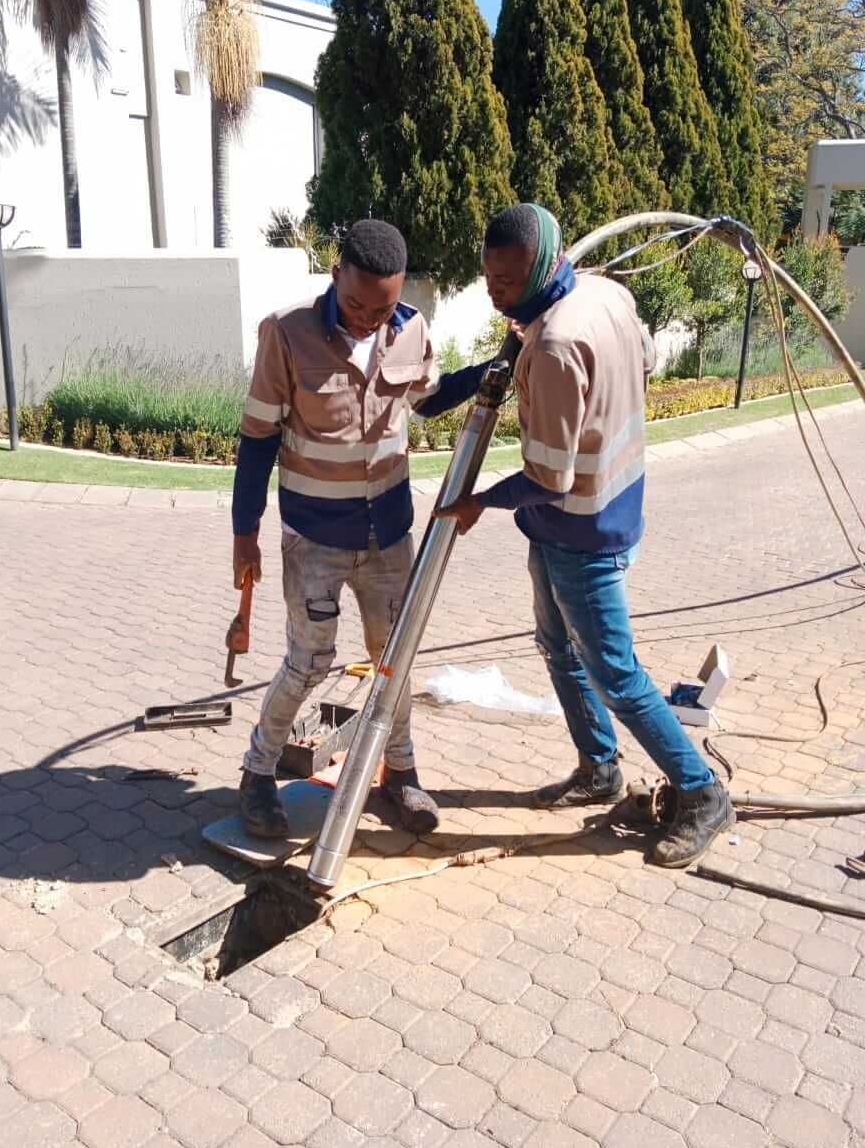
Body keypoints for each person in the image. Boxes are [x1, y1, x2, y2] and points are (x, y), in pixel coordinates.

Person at [436, 203, 734, 868]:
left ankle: (703, 792)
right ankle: (599, 768)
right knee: (556, 646)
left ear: (541, 266)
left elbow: (548, 476)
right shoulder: (605, 292)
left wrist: (478, 501)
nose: (495, 291)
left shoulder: (554, 346)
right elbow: (648, 357)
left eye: (507, 281)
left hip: (583, 528)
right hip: (603, 508)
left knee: (616, 673)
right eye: (488, 278)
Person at [233, 219, 493, 839]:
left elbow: (427, 399)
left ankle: (399, 777)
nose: (368, 319)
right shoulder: (286, 334)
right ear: (335, 275)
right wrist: (245, 532)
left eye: (382, 307)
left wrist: (489, 370)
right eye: (356, 304)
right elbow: (257, 439)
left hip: (389, 539)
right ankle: (258, 773)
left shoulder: (410, 328)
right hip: (314, 540)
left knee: (391, 660)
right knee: (308, 661)